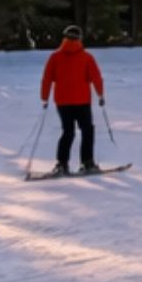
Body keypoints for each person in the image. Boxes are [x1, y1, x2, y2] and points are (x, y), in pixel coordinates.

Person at [40, 25, 106, 174]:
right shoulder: (87, 57)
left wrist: (44, 98)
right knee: (87, 130)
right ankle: (87, 163)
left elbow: (47, 79)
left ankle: (62, 164)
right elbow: (96, 77)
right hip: (82, 100)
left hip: (63, 102)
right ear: (79, 38)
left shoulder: (55, 57)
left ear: (64, 38)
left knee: (68, 132)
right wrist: (100, 94)